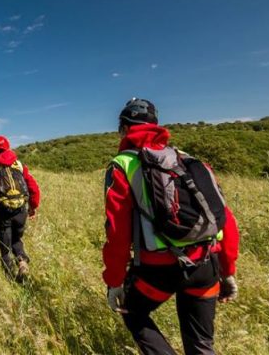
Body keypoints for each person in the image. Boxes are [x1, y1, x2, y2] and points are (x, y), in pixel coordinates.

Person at [103, 98, 240, 355]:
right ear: (156, 125)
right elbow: (226, 219)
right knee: (201, 346)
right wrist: (228, 270)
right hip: (206, 265)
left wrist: (114, 281)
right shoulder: (191, 162)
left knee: (132, 312)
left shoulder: (123, 165)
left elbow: (117, 232)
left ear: (123, 128)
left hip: (157, 271)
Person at [0, 135, 41, 282]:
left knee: (5, 246)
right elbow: (34, 188)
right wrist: (33, 207)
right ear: (8, 147)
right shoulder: (19, 165)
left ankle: (10, 279)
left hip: (2, 212)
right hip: (21, 210)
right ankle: (23, 263)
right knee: (17, 239)